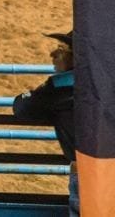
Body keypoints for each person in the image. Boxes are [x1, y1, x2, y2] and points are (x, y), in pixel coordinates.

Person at [14, 31, 77, 215]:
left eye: (61, 50)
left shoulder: (59, 87)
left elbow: (22, 107)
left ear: (76, 57)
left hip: (88, 173)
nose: (53, 54)